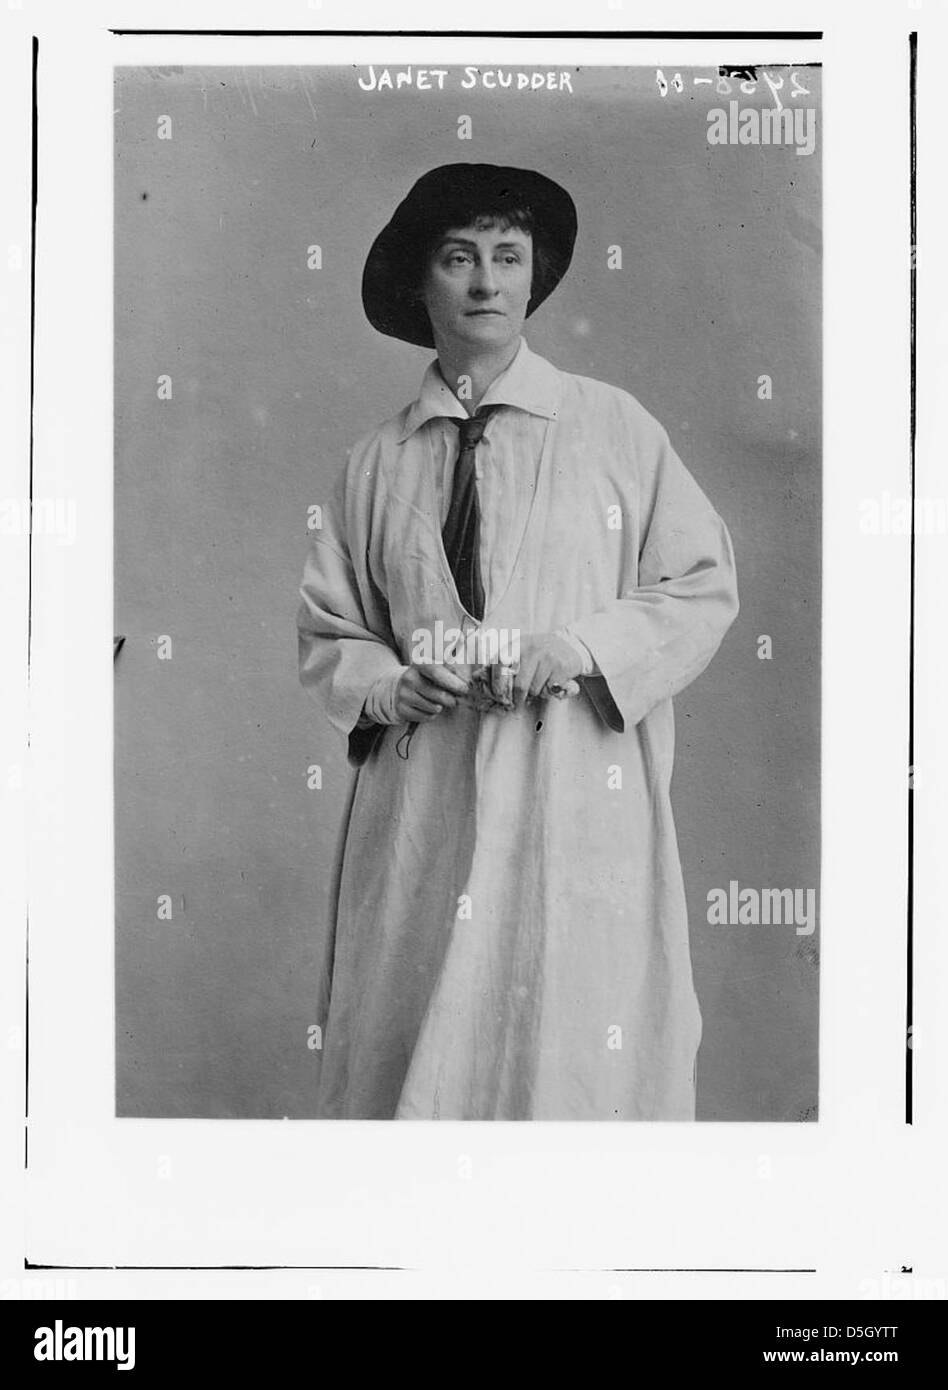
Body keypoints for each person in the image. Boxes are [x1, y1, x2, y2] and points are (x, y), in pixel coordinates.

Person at [296, 163, 738, 1120]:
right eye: (460, 259)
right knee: (413, 1047)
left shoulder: (613, 428)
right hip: (425, 798)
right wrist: (386, 685)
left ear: (535, 279)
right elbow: (333, 629)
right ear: (422, 284)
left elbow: (701, 585)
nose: (486, 282)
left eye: (508, 256)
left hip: (572, 793)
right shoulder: (375, 463)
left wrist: (581, 647)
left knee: (570, 1038)